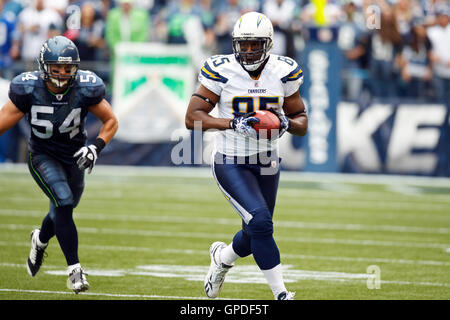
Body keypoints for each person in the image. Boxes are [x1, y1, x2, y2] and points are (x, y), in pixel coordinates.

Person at [185, 12, 307, 300]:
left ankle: (222, 259)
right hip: (230, 159)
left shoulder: (283, 71)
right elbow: (193, 118)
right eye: (244, 44)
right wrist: (232, 122)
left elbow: (301, 120)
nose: (249, 50)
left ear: (268, 44)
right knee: (262, 223)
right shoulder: (222, 69)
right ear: (235, 43)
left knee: (255, 233)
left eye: (255, 44)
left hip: (267, 160)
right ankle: (281, 294)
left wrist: (286, 123)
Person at [0, 36, 118, 293]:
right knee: (63, 202)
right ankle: (74, 271)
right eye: (57, 68)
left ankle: (40, 240)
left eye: (68, 68)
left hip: (76, 156)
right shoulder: (28, 88)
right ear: (44, 67)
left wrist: (95, 147)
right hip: (42, 156)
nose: (63, 74)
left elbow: (111, 122)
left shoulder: (86, 87)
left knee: (64, 209)